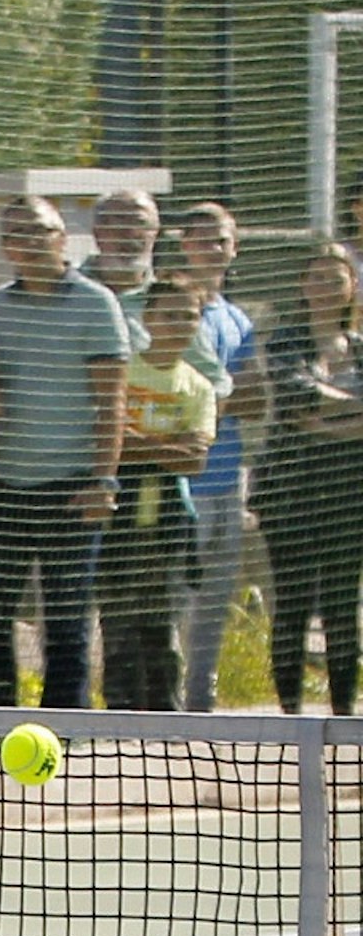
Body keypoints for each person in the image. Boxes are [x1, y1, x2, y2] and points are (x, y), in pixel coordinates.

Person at [0, 196, 131, 709]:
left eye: (40, 230)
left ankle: (66, 727)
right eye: (16, 234)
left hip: (73, 487)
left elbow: (112, 401)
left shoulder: (97, 302)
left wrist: (103, 482)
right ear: (5, 248)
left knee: (66, 622)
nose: (29, 241)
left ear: (61, 237)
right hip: (5, 488)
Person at [251, 244, 363, 715]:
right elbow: (298, 400)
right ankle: (291, 714)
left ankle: (344, 714)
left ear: (350, 288)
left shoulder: (359, 347)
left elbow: (318, 410)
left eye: (335, 279)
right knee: (293, 603)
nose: (324, 288)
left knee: (342, 606)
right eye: (316, 278)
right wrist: (349, 413)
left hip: (348, 492)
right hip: (289, 493)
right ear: (302, 284)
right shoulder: (284, 341)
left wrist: (327, 418)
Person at [99, 278, 215, 711]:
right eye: (169, 314)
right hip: (116, 518)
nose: (179, 323)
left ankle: (166, 713)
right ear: (148, 319)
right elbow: (110, 441)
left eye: (189, 315)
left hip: (168, 524)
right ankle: (118, 712)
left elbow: (195, 460)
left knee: (162, 625)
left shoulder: (198, 386)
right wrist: (165, 445)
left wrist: (138, 442)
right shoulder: (123, 371)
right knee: (117, 622)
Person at [176, 204, 266, 711]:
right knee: (174, 600)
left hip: (229, 479)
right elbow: (184, 392)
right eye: (203, 238)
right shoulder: (168, 306)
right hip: (182, 482)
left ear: (234, 248)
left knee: (213, 602)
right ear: (183, 243)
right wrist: (218, 396)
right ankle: (163, 705)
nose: (213, 248)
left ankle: (201, 703)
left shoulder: (238, 319)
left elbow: (254, 399)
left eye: (223, 240)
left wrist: (216, 396)